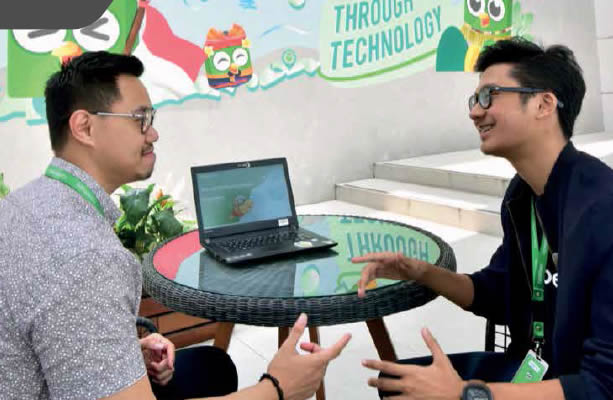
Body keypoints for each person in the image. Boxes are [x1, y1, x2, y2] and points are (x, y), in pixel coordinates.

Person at [0, 51, 350, 400]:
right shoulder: (86, 259)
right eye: (140, 119)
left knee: (212, 365)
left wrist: (122, 350)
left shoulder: (22, 205)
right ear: (85, 128)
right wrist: (277, 388)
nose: (153, 133)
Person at [354, 37, 613, 399]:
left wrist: (469, 394)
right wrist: (422, 272)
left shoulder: (601, 209)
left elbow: (603, 385)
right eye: (475, 99)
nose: (475, 112)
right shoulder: (522, 195)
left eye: (489, 96)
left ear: (543, 104)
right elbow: (494, 294)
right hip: (528, 369)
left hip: (572, 386)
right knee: (395, 385)